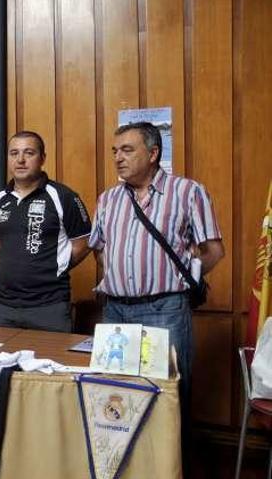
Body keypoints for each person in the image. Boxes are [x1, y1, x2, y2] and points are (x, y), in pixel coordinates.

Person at [89, 121, 224, 412]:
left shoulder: (188, 192)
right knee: (117, 397)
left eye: (127, 150)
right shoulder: (108, 198)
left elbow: (213, 251)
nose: (118, 158)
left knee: (168, 396)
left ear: (153, 154)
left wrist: (181, 277)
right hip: (115, 311)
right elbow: (99, 249)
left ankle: (172, 458)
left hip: (164, 311)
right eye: (115, 151)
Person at [0, 131, 92, 332]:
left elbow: (84, 241)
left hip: (49, 306)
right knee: (2, 363)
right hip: (2, 306)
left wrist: (58, 265)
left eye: (29, 153)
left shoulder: (62, 196)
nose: (20, 160)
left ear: (42, 158)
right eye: (14, 153)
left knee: (49, 363)